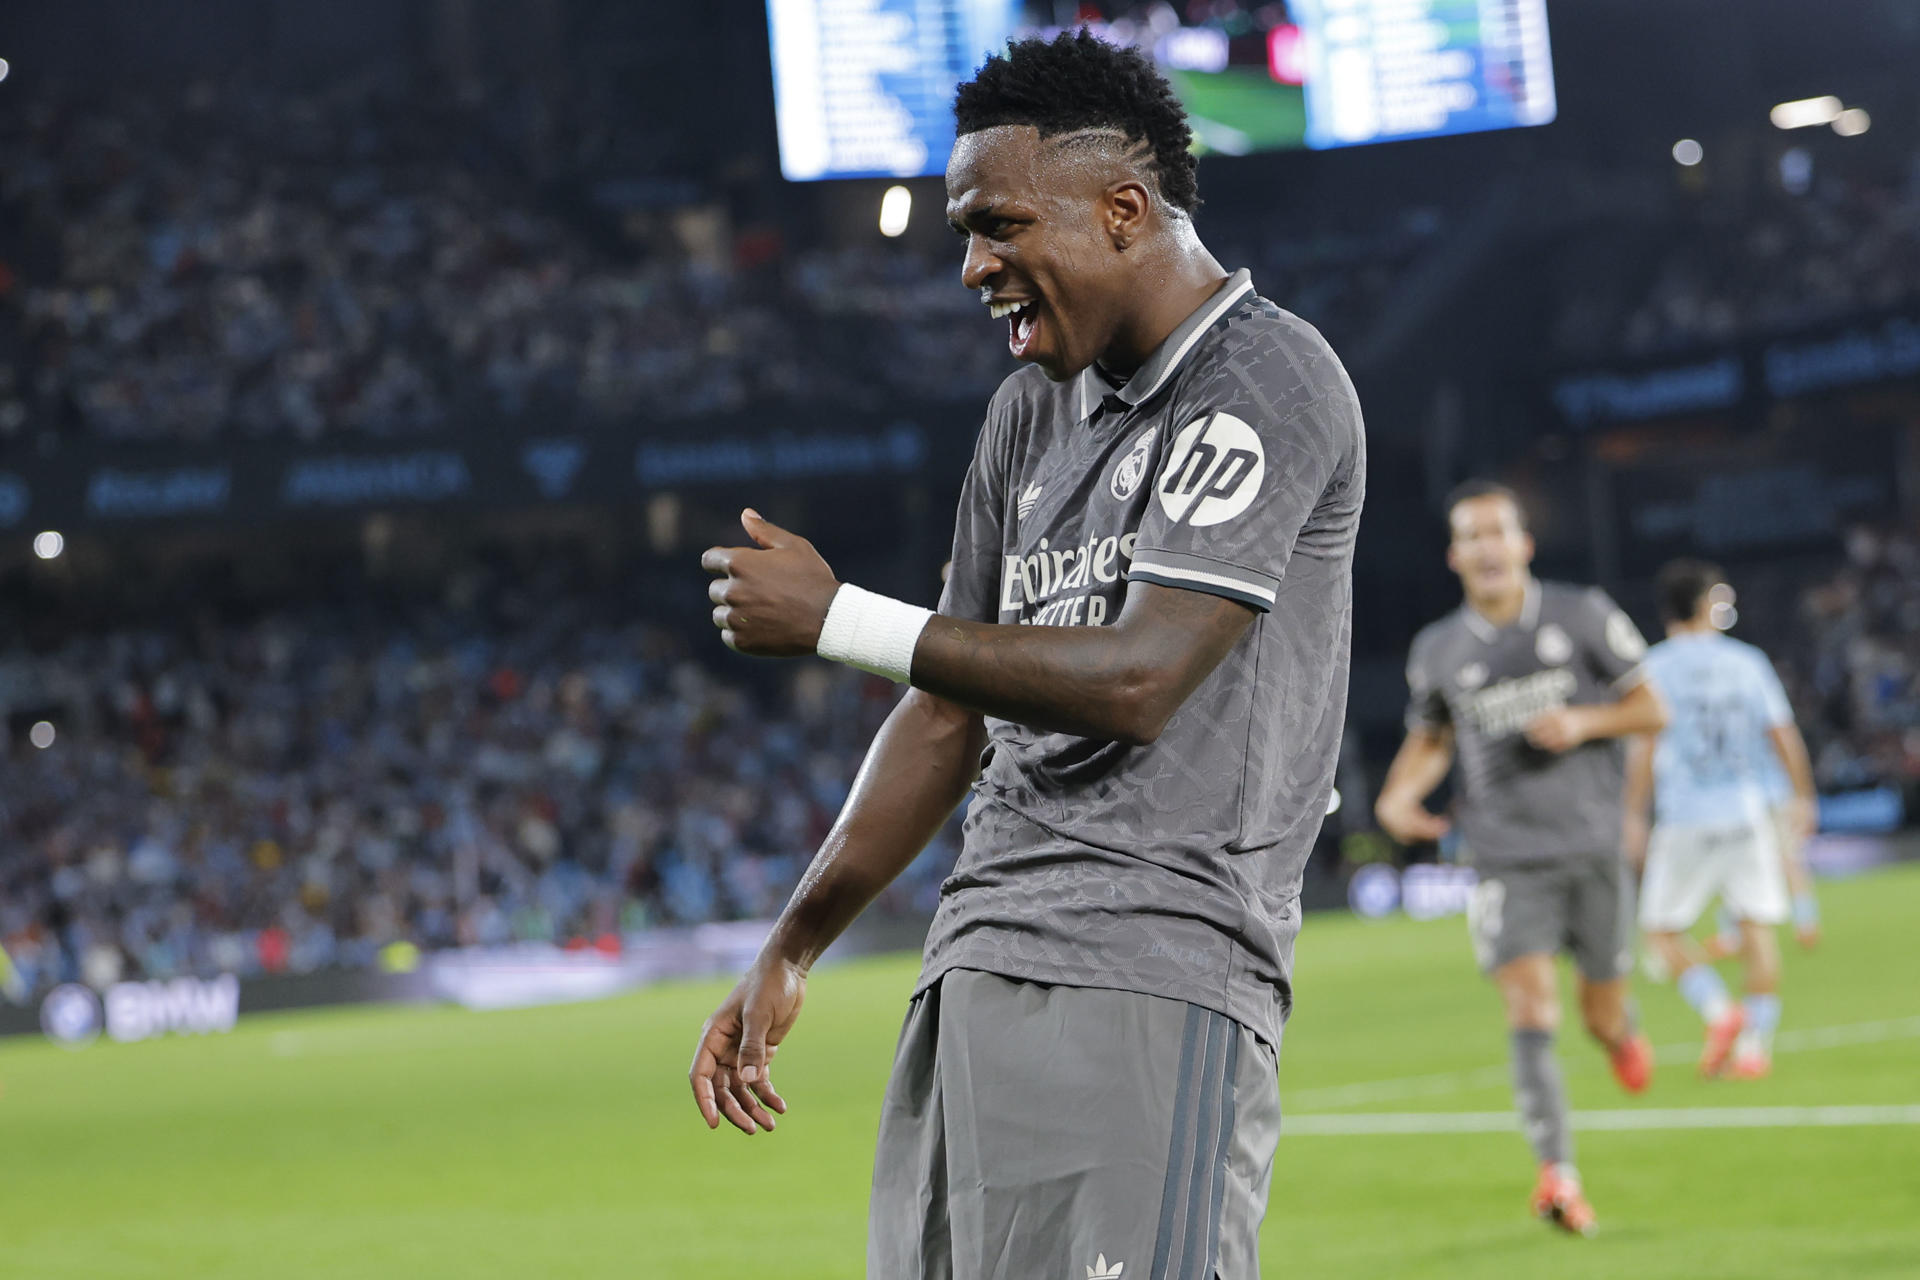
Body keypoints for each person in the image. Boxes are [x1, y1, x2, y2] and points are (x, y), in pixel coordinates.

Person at [687, 31, 1365, 1279]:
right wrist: (792, 940)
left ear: (1123, 211)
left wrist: (842, 620)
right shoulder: (1028, 412)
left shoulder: (1264, 375)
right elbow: (944, 713)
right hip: (974, 962)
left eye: (999, 226)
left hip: (1154, 963)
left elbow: (1143, 676)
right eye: (965, 232)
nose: (972, 267)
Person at [1373, 480, 1665, 1237]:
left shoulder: (1583, 613)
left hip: (1593, 846)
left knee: (1599, 1015)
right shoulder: (1439, 649)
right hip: (1506, 857)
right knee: (1531, 1008)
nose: (1486, 547)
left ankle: (1621, 1032)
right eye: (1471, 536)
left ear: (1524, 544)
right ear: (1454, 555)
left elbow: (1651, 708)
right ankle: (1557, 1176)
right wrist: (1397, 796)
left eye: (1497, 532)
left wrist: (1584, 721)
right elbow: (1432, 738)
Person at [1623, 560, 1817, 1080]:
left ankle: (1719, 1010)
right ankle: (1754, 1050)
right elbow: (1783, 733)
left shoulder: (1652, 667)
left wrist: (1633, 814)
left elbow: (1644, 746)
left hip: (1686, 816)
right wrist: (1804, 796)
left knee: (1660, 934)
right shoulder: (1747, 662)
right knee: (1757, 931)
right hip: (1746, 813)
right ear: (1706, 603)